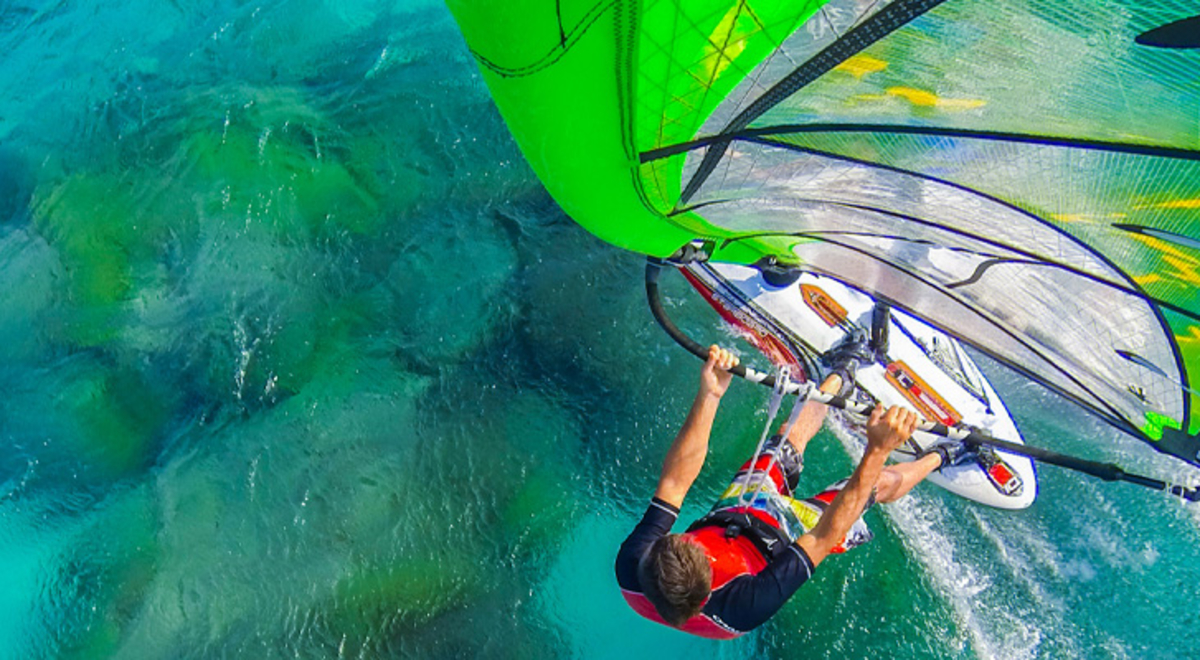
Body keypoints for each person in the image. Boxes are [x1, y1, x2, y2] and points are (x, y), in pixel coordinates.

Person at [615, 344, 966, 639]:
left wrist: (711, 394)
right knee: (875, 484)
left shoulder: (635, 564)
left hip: (736, 517)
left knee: (787, 440)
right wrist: (877, 450)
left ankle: (842, 371)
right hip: (782, 537)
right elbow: (823, 538)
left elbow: (674, 483)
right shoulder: (743, 607)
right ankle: (947, 453)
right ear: (708, 581)